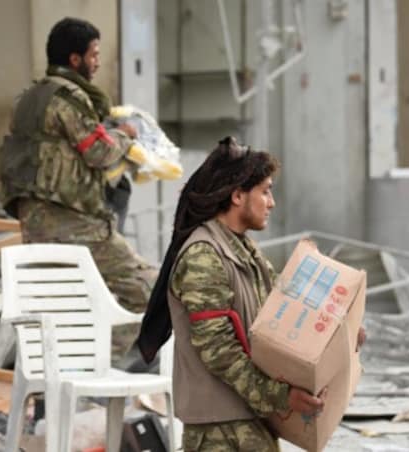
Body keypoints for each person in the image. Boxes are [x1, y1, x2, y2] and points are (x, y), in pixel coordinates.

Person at [137, 137, 365, 451]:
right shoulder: (203, 256)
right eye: (266, 190)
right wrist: (282, 396)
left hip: (246, 418)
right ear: (237, 195)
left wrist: (340, 335)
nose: (271, 202)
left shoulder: (244, 250)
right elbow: (219, 351)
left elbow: (282, 318)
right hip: (218, 431)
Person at [0, 17, 156, 361]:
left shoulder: (28, 99)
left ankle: (64, 379)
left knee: (63, 310)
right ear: (75, 59)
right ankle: (97, 362)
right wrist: (127, 133)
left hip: (36, 224)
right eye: (94, 54)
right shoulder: (67, 98)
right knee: (151, 291)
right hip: (74, 224)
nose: (97, 62)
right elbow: (99, 151)